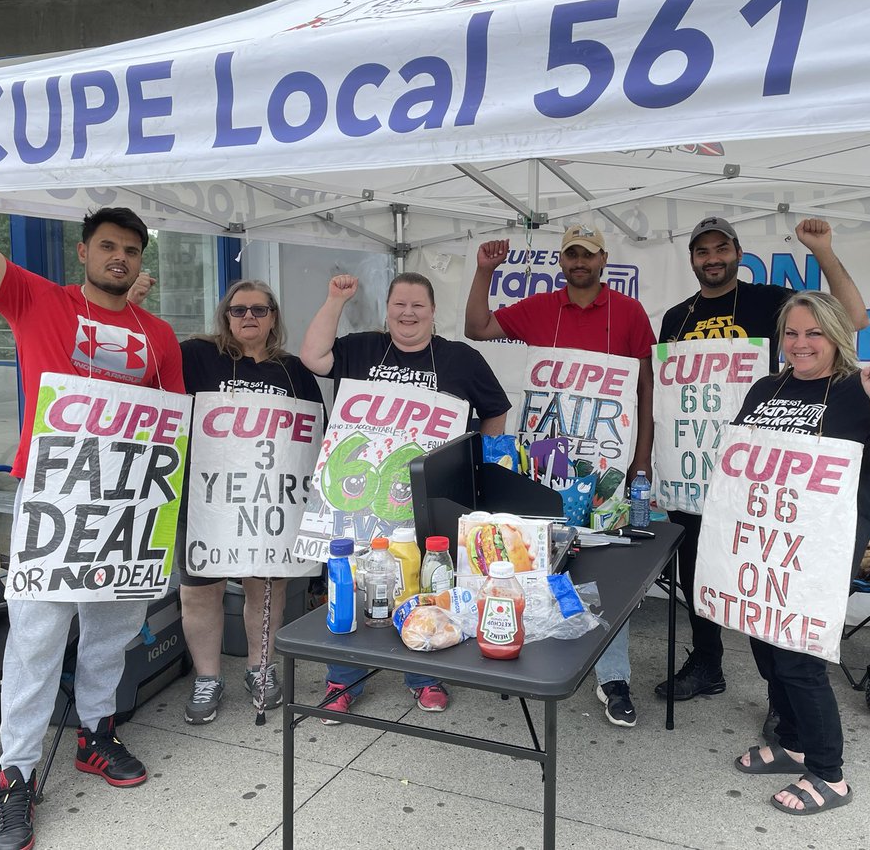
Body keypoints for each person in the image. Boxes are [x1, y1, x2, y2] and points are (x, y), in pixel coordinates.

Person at [0, 107, 184, 850]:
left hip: (128, 504)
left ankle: (96, 733)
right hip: (55, 496)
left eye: (132, 251)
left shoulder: (158, 334)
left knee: (111, 631)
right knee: (37, 639)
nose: (121, 259)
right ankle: (15, 774)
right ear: (84, 252)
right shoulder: (36, 300)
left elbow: (171, 424)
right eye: (109, 247)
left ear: (140, 262)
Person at [654, 217, 868, 740]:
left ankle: (785, 701)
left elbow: (853, 317)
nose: (712, 258)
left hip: (762, 471)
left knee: (767, 581)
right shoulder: (676, 318)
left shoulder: (769, 300)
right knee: (698, 568)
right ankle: (708, 664)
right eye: (701, 250)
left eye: (721, 248)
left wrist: (822, 251)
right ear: (692, 259)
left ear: (737, 252)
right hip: (695, 466)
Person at [727, 291, 870, 815]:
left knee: (797, 658)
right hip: (767, 545)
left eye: (814, 333)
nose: (801, 343)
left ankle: (829, 774)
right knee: (765, 648)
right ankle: (792, 741)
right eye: (792, 333)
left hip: (823, 551)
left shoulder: (859, 390)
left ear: (836, 335)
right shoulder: (769, 386)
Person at [465, 224, 654, 727]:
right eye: (571, 254)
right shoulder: (540, 307)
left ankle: (613, 677)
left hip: (606, 465)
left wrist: (643, 454)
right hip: (546, 464)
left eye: (587, 255)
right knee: (542, 561)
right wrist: (485, 270)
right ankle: (536, 654)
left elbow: (645, 387)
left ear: (603, 260)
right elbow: (477, 328)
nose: (579, 263)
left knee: (612, 572)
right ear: (562, 260)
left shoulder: (629, 313)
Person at [301, 271, 511, 718]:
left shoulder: (461, 359)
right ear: (387, 309)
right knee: (352, 590)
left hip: (428, 506)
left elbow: (497, 409)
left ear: (434, 312)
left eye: (418, 305)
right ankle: (343, 678)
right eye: (399, 304)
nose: (408, 313)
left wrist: (485, 464)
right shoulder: (360, 347)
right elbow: (313, 356)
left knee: (424, 587)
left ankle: (423, 676)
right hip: (358, 502)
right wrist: (335, 299)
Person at [177, 280, 325, 724]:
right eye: (238, 310)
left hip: (267, 501)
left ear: (273, 317)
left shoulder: (294, 370)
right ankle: (208, 678)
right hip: (205, 497)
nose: (248, 318)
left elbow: (312, 433)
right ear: (225, 316)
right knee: (202, 590)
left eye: (259, 310)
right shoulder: (197, 356)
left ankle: (261, 669)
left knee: (266, 587)